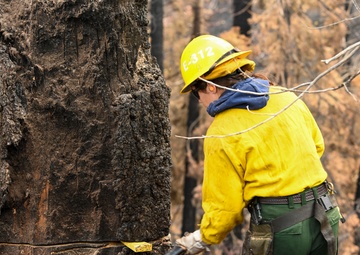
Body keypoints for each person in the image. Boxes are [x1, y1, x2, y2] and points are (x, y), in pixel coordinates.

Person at [173, 35, 344, 255]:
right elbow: (317, 146)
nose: (199, 100)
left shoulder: (222, 131)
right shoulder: (285, 96)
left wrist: (202, 238)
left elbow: (226, 209)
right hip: (326, 216)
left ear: (210, 86)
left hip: (283, 228)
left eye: (197, 92)